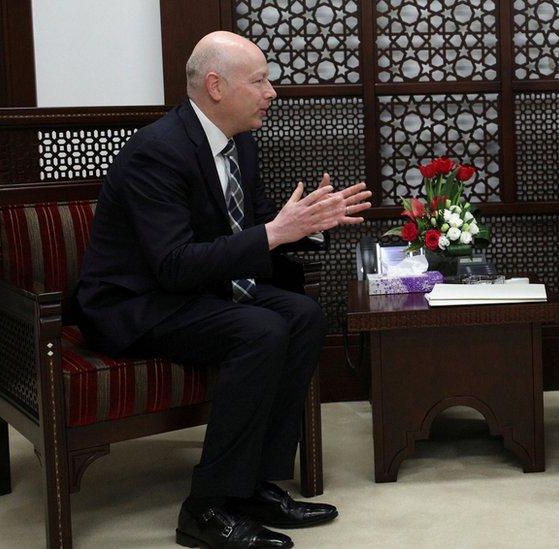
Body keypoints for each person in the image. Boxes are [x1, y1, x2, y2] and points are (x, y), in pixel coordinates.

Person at [75, 31, 372, 549]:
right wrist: (276, 231)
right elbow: (171, 265)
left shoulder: (240, 142)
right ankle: (205, 508)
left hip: (199, 292)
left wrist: (308, 224)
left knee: (303, 315)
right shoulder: (157, 151)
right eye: (260, 81)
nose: (272, 92)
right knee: (258, 329)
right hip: (137, 303)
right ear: (216, 85)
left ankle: (254, 484)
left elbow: (255, 227)